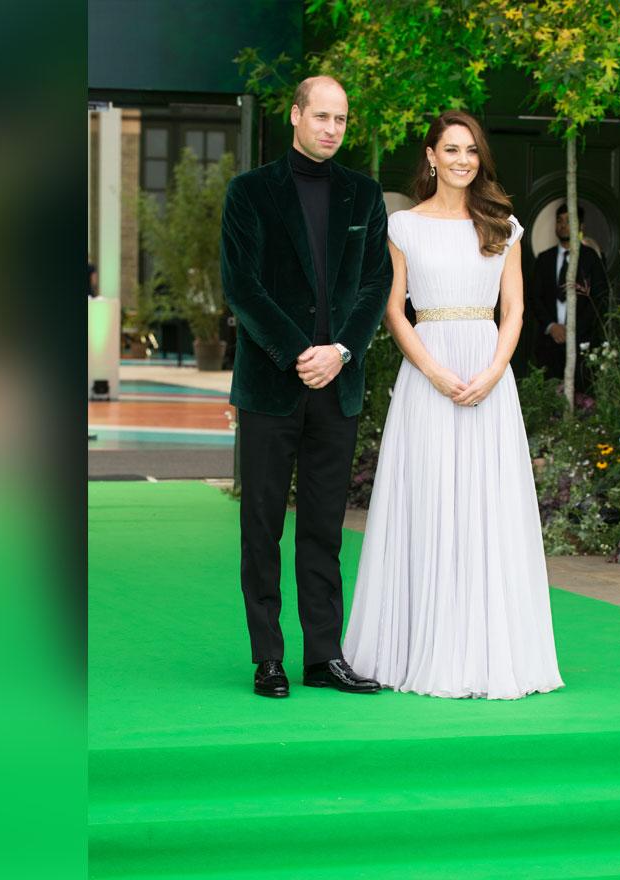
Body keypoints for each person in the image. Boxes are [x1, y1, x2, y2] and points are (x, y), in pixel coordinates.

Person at [342, 110, 564, 700]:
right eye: (452, 149)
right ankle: (421, 646)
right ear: (431, 156)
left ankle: (489, 651)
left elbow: (515, 309)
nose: (464, 159)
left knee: (485, 506)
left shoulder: (504, 226)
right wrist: (435, 371)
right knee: (430, 499)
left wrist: (494, 370)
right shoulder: (403, 227)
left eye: (472, 151)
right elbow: (393, 310)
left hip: (489, 377)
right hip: (427, 374)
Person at [219, 76, 393, 698]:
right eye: (321, 116)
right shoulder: (250, 193)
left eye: (341, 120)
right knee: (261, 526)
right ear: (295, 116)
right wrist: (302, 353)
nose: (331, 129)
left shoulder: (365, 196)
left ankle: (324, 656)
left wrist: (341, 351)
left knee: (323, 526)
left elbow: (376, 285)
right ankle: (269, 657)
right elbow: (243, 288)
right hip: (272, 385)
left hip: (338, 387)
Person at [530, 202, 612, 391]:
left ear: (581, 226)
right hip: (549, 344)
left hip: (582, 343)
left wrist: (573, 330)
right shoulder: (544, 259)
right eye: (559, 221)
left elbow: (600, 298)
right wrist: (552, 327)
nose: (563, 225)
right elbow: (534, 297)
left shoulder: (591, 258)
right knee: (549, 395)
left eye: (569, 221)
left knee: (583, 397)